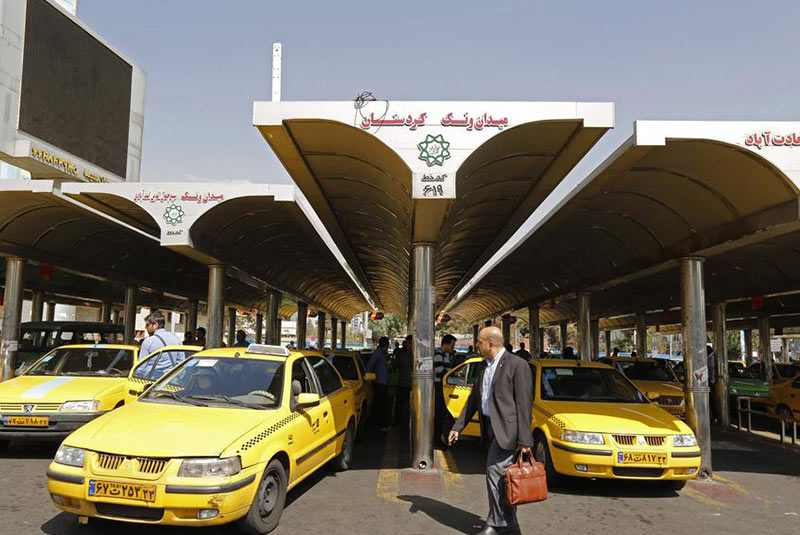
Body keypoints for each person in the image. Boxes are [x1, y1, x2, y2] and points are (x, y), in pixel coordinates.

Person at [449, 326, 533, 535]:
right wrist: (458, 427)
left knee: (494, 471)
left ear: (491, 344)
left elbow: (524, 404)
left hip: (508, 431)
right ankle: (509, 525)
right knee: (503, 478)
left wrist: (525, 440)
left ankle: (498, 525)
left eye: (479, 341)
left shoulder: (517, 365)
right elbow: (474, 400)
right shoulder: (483, 366)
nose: (476, 344)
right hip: (489, 429)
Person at [434, 334, 457, 445]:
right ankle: (436, 439)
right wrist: (450, 372)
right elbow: (439, 369)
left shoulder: (446, 355)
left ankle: (440, 437)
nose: (452, 348)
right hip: (438, 387)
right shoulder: (438, 354)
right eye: (452, 345)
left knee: (442, 414)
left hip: (443, 387)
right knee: (439, 414)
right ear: (446, 344)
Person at [366, 336, 390, 428]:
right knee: (379, 405)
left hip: (383, 382)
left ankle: (380, 423)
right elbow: (369, 366)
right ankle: (377, 424)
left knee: (383, 404)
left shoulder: (383, 354)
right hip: (379, 383)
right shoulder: (377, 354)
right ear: (386, 345)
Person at [393, 335, 413, 425]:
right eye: (408, 343)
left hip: (413, 385)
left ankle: (410, 420)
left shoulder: (416, 355)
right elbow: (395, 365)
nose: (409, 345)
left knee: (411, 405)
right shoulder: (400, 353)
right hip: (402, 383)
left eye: (411, 343)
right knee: (400, 404)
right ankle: (398, 421)